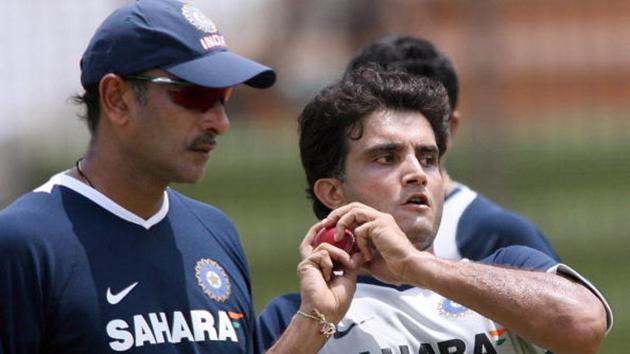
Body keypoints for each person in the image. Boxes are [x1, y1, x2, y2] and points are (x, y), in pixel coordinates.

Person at [257, 66, 612, 353]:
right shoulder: (293, 317)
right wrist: (314, 321)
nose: (417, 174)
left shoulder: (510, 270)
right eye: (386, 157)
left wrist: (417, 267)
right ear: (333, 192)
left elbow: (584, 325)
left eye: (428, 158)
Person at [0, 0, 281, 352]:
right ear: (117, 98)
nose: (221, 123)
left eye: (224, 97)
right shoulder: (24, 243)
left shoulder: (217, 232)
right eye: (196, 93)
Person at [346, 35, 560, 261]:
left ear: (449, 128)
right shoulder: (338, 236)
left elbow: (572, 296)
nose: (401, 130)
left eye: (420, 118)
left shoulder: (497, 236)